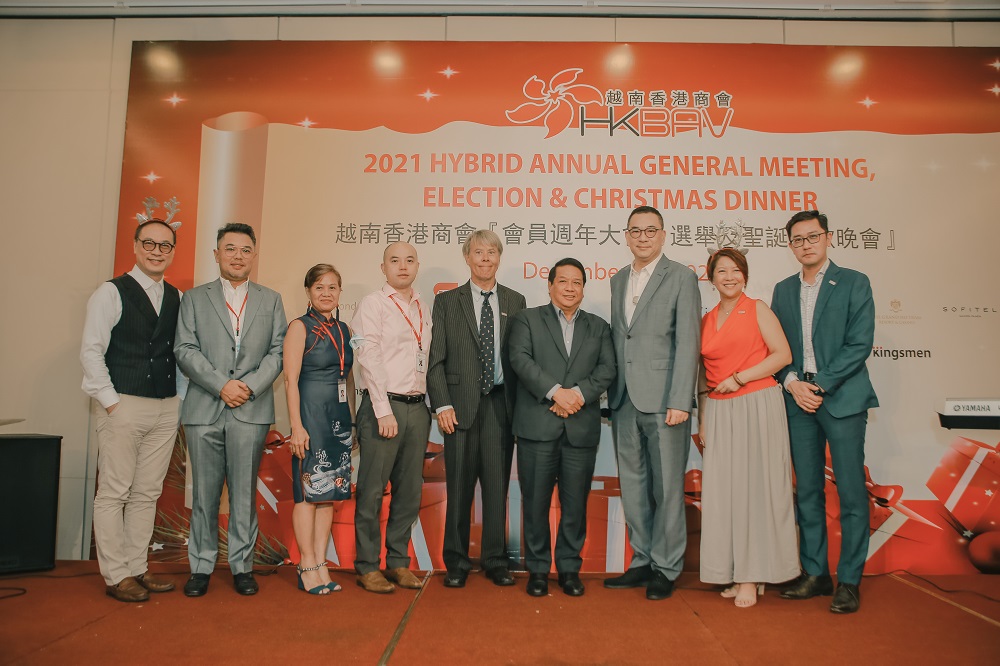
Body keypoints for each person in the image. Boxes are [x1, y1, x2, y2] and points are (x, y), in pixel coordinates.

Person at [771, 210, 878, 614]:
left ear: (828, 237)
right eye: (797, 239)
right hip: (798, 401)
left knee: (850, 492)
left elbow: (859, 343)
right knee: (808, 491)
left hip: (841, 399)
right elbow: (777, 347)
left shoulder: (854, 282)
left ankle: (849, 580)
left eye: (812, 236)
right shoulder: (783, 289)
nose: (806, 245)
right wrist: (791, 381)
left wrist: (820, 384)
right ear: (790, 245)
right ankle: (816, 573)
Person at [175, 222, 286, 597]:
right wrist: (220, 384)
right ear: (217, 254)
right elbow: (184, 348)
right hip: (204, 408)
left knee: (243, 494)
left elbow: (278, 351)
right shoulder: (194, 298)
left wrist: (248, 386)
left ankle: (242, 566)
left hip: (250, 410)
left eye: (245, 250)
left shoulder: (271, 300)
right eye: (230, 249)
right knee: (204, 495)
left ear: (254, 255)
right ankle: (201, 566)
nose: (238, 256)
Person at [81, 218, 182, 602]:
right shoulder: (110, 292)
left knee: (147, 492)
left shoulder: (176, 296)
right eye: (149, 243)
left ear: (173, 251)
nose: (157, 251)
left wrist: (179, 401)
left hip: (166, 407)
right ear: (136, 246)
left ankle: (137, 567)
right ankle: (116, 574)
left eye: (165, 245)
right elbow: (91, 351)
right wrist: (111, 402)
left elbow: (178, 354)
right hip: (122, 404)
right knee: (114, 492)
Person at [606, 206, 701, 600]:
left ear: (663, 235)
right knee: (633, 486)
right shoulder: (618, 280)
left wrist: (681, 399)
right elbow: (621, 339)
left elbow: (688, 341)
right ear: (626, 236)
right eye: (635, 231)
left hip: (665, 402)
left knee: (666, 489)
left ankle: (666, 566)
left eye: (650, 230)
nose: (643, 237)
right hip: (623, 400)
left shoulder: (681, 276)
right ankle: (642, 560)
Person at [697, 248, 800, 608]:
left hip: (757, 403)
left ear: (745, 275)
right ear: (711, 278)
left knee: (755, 490)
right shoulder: (707, 319)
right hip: (719, 410)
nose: (729, 277)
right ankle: (735, 570)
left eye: (735, 270)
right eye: (721, 271)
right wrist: (704, 418)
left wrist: (740, 377)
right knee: (726, 494)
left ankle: (751, 576)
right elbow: (705, 377)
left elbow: (783, 356)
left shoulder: (758, 308)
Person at [508, 258, 616, 597]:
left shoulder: (598, 326)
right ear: (550, 285)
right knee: (535, 504)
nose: (570, 288)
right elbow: (520, 359)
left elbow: (607, 369)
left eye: (577, 283)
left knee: (575, 506)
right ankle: (538, 570)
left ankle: (569, 569)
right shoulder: (527, 319)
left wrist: (577, 396)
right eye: (563, 281)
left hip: (580, 431)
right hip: (537, 428)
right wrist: (556, 393)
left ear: (583, 289)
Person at [428, 230, 526, 588]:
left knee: (497, 488)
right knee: (458, 488)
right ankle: (455, 561)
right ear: (467, 258)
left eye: (491, 253)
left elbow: (521, 359)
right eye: (478, 253)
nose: (485, 259)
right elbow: (435, 360)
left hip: (501, 405)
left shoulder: (515, 300)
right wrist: (442, 403)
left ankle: (495, 560)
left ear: (499, 258)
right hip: (458, 408)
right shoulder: (447, 301)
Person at [350, 242, 433, 594]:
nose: (403, 266)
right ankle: (368, 565)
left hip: (417, 407)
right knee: (372, 490)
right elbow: (368, 358)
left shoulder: (422, 306)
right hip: (384, 407)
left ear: (417, 266)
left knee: (409, 491)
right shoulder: (373, 304)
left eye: (409, 260)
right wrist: (383, 409)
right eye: (394, 260)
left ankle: (398, 562)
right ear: (382, 267)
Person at [283, 264, 354, 595]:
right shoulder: (300, 327)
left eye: (332, 287)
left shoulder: (345, 329)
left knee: (330, 496)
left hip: (337, 422)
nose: (326, 293)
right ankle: (307, 565)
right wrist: (296, 427)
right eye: (319, 287)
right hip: (310, 419)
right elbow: (290, 380)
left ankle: (321, 563)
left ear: (340, 292)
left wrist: (351, 422)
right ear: (308, 292)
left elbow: (348, 379)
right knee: (307, 495)